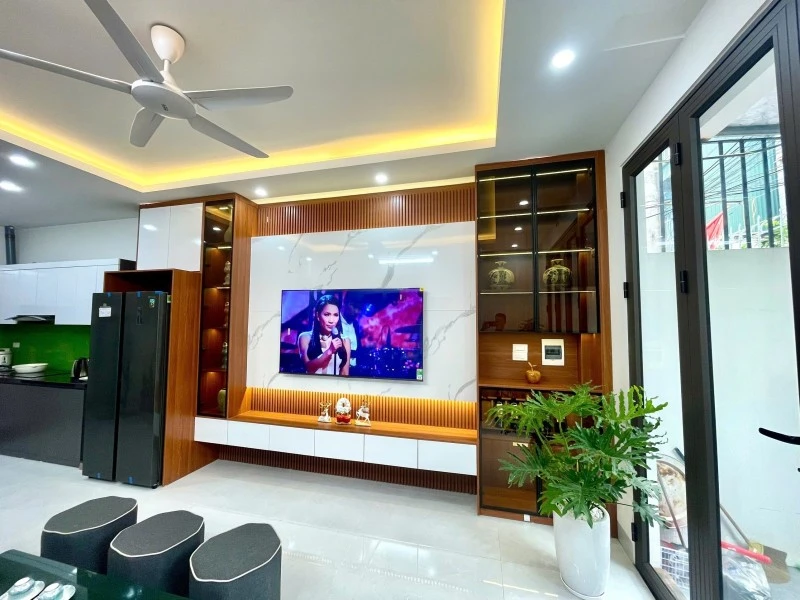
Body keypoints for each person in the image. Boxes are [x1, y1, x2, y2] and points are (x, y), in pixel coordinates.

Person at [298, 294, 351, 376]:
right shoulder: (305, 337)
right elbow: (308, 367)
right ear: (318, 316)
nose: (331, 320)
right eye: (327, 314)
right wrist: (329, 351)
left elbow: (344, 373)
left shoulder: (345, 341)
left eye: (335, 315)